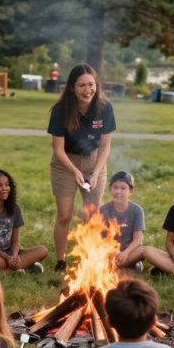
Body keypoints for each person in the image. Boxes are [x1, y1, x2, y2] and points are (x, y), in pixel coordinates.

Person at [48, 63, 116, 271]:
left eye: (91, 84)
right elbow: (58, 149)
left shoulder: (104, 108)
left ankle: (90, 259)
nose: (88, 90)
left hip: (94, 161)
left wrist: (95, 172)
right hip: (65, 163)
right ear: (72, 88)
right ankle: (60, 261)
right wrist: (75, 171)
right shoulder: (61, 111)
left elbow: (105, 145)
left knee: (92, 215)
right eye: (81, 86)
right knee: (65, 215)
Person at [0, 169, 48, 274]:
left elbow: (15, 241)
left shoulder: (15, 209)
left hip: (10, 253)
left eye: (7, 185)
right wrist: (6, 257)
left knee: (42, 250)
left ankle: (3, 270)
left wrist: (15, 256)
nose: (5, 189)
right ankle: (20, 268)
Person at [99, 171, 150, 273]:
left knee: (142, 251)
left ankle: (122, 267)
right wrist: (112, 251)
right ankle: (113, 268)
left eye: (123, 188)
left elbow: (137, 239)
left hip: (129, 253)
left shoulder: (137, 210)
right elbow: (100, 237)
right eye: (115, 187)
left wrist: (125, 253)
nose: (118, 191)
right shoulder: (103, 210)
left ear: (131, 191)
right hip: (109, 252)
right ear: (110, 189)